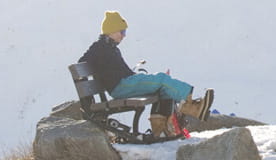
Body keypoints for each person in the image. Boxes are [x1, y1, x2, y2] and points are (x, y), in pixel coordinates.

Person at [79, 11, 214, 138]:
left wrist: (136, 76)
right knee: (162, 79)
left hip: (125, 83)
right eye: (122, 31)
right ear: (111, 31)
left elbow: (125, 71)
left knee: (163, 90)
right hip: (120, 86)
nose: (124, 35)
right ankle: (192, 105)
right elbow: (81, 62)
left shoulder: (112, 49)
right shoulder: (99, 48)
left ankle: (161, 130)